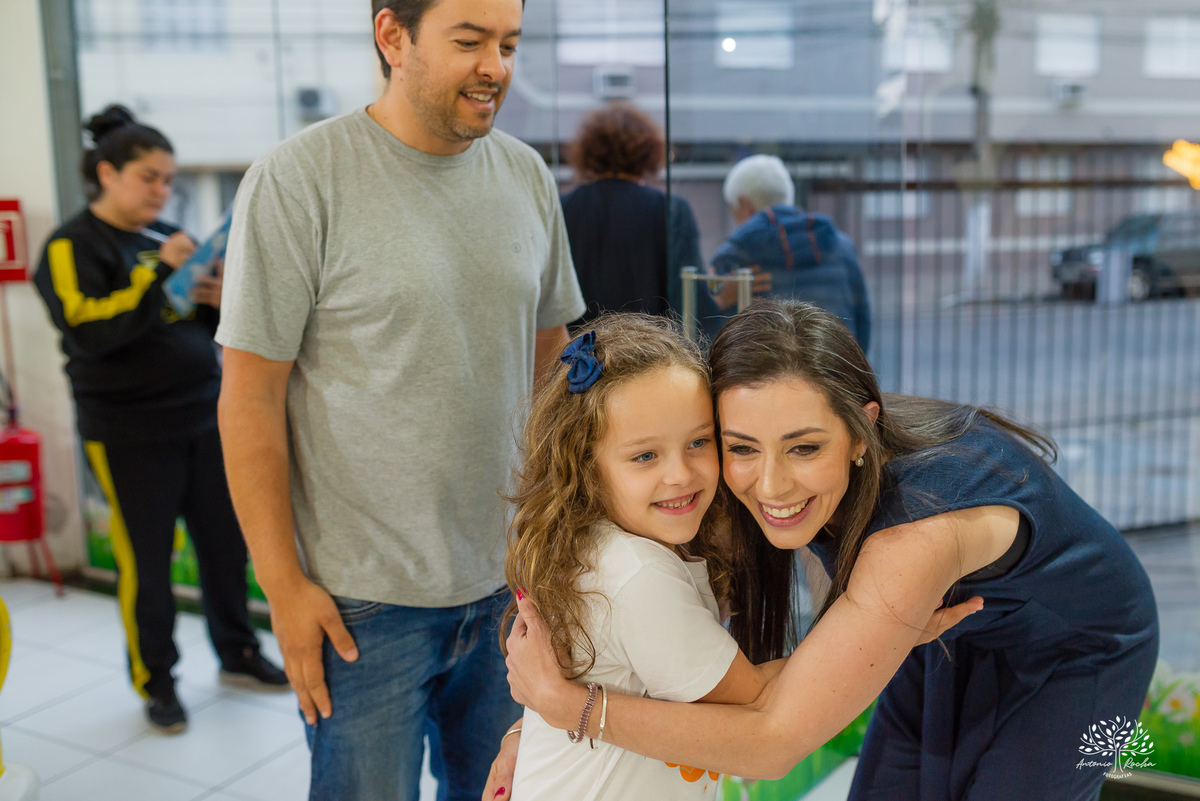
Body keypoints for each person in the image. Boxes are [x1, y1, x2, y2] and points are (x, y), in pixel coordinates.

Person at [506, 300, 1159, 801]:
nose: (771, 485)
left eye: (805, 447)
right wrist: (530, 734)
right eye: (740, 446)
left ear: (860, 430)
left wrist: (571, 710)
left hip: (1079, 649)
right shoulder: (706, 471)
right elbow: (621, 637)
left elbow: (771, 744)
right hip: (941, 630)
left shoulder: (915, 538)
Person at [214, 0, 585, 797]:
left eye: (509, 43)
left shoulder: (526, 174)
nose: (496, 67)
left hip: (509, 585)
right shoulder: (299, 179)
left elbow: (550, 356)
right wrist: (282, 586)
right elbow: (249, 399)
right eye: (470, 41)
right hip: (360, 606)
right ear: (393, 36)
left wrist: (555, 537)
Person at [32, 104, 287, 735]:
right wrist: (162, 276)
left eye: (169, 180)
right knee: (146, 565)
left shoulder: (167, 237)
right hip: (128, 432)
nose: (162, 191)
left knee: (225, 546)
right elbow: (89, 328)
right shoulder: (71, 245)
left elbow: (200, 326)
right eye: (149, 177)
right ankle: (158, 680)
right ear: (108, 173)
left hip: (204, 416)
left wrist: (218, 299)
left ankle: (238, 651)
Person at [499, 315, 783, 800]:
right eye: (645, 456)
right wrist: (878, 627)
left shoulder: (598, 543)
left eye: (698, 442)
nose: (681, 474)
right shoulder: (638, 573)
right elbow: (755, 703)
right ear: (585, 467)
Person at [560, 105, 714, 326]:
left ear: (586, 153)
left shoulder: (563, 207)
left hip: (580, 345)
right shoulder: (671, 209)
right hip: (649, 344)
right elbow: (691, 302)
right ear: (648, 153)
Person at [708, 156, 871, 350]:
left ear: (744, 204)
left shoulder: (734, 256)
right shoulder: (842, 246)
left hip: (769, 366)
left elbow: (714, 340)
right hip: (835, 362)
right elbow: (863, 322)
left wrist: (715, 300)